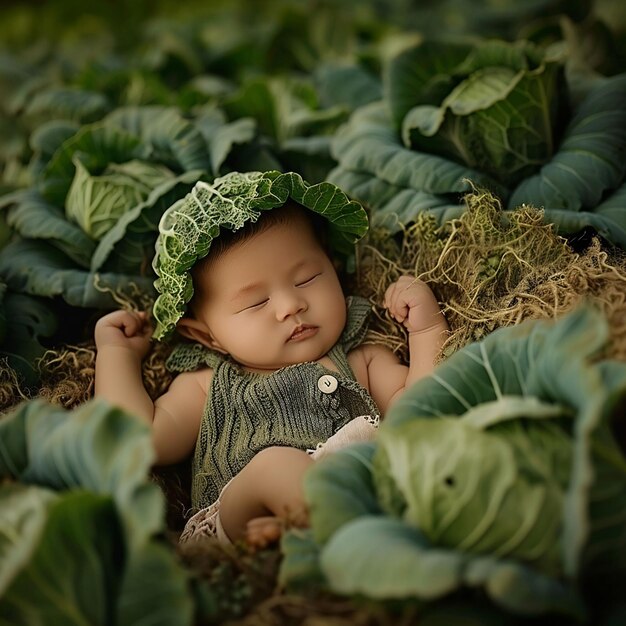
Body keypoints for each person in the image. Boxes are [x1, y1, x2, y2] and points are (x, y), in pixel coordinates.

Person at [94, 171, 448, 547]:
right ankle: (326, 531)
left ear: (332, 267)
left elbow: (420, 413)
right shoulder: (206, 383)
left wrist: (425, 331)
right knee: (275, 466)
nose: (290, 305)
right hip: (242, 523)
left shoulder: (361, 359)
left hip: (363, 495)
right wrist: (116, 355)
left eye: (308, 278)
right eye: (256, 302)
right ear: (206, 335)